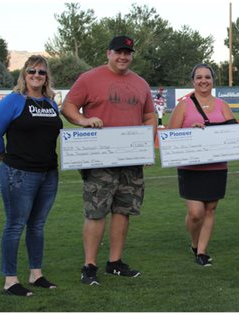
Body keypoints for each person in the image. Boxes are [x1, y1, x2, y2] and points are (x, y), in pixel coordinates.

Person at [62, 35, 157, 285]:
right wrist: (83, 120)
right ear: (108, 53)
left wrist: (147, 145)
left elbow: (149, 116)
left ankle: (114, 262)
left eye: (128, 52)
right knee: (96, 211)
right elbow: (69, 106)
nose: (123, 56)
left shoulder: (140, 83)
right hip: (99, 157)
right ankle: (89, 265)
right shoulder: (89, 78)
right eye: (118, 52)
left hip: (131, 158)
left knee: (123, 210)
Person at [0, 55, 63, 296]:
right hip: (19, 173)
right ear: (24, 74)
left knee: (37, 226)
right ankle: (10, 280)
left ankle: (35, 274)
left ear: (46, 76)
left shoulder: (50, 103)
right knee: (15, 225)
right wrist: (7, 161)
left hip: (48, 174)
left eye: (41, 72)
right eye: (32, 71)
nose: (36, 76)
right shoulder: (13, 101)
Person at [168, 64, 237, 267]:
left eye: (207, 77)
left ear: (213, 80)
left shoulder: (222, 105)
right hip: (191, 167)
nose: (203, 80)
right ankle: (194, 242)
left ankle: (202, 251)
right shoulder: (184, 106)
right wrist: (191, 130)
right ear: (193, 81)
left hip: (216, 166)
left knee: (210, 209)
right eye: (199, 77)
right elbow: (170, 136)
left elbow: (232, 131)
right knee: (195, 212)